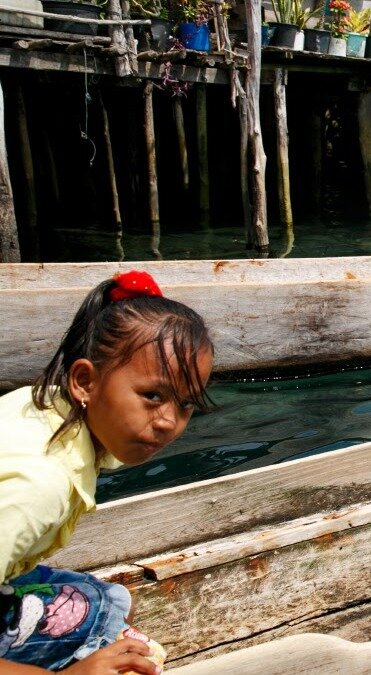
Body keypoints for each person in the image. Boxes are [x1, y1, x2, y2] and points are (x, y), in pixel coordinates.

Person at [1, 271, 214, 674]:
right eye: (152, 396)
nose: (170, 422)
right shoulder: (38, 486)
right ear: (85, 381)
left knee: (98, 601)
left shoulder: (45, 404)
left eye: (185, 404)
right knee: (95, 619)